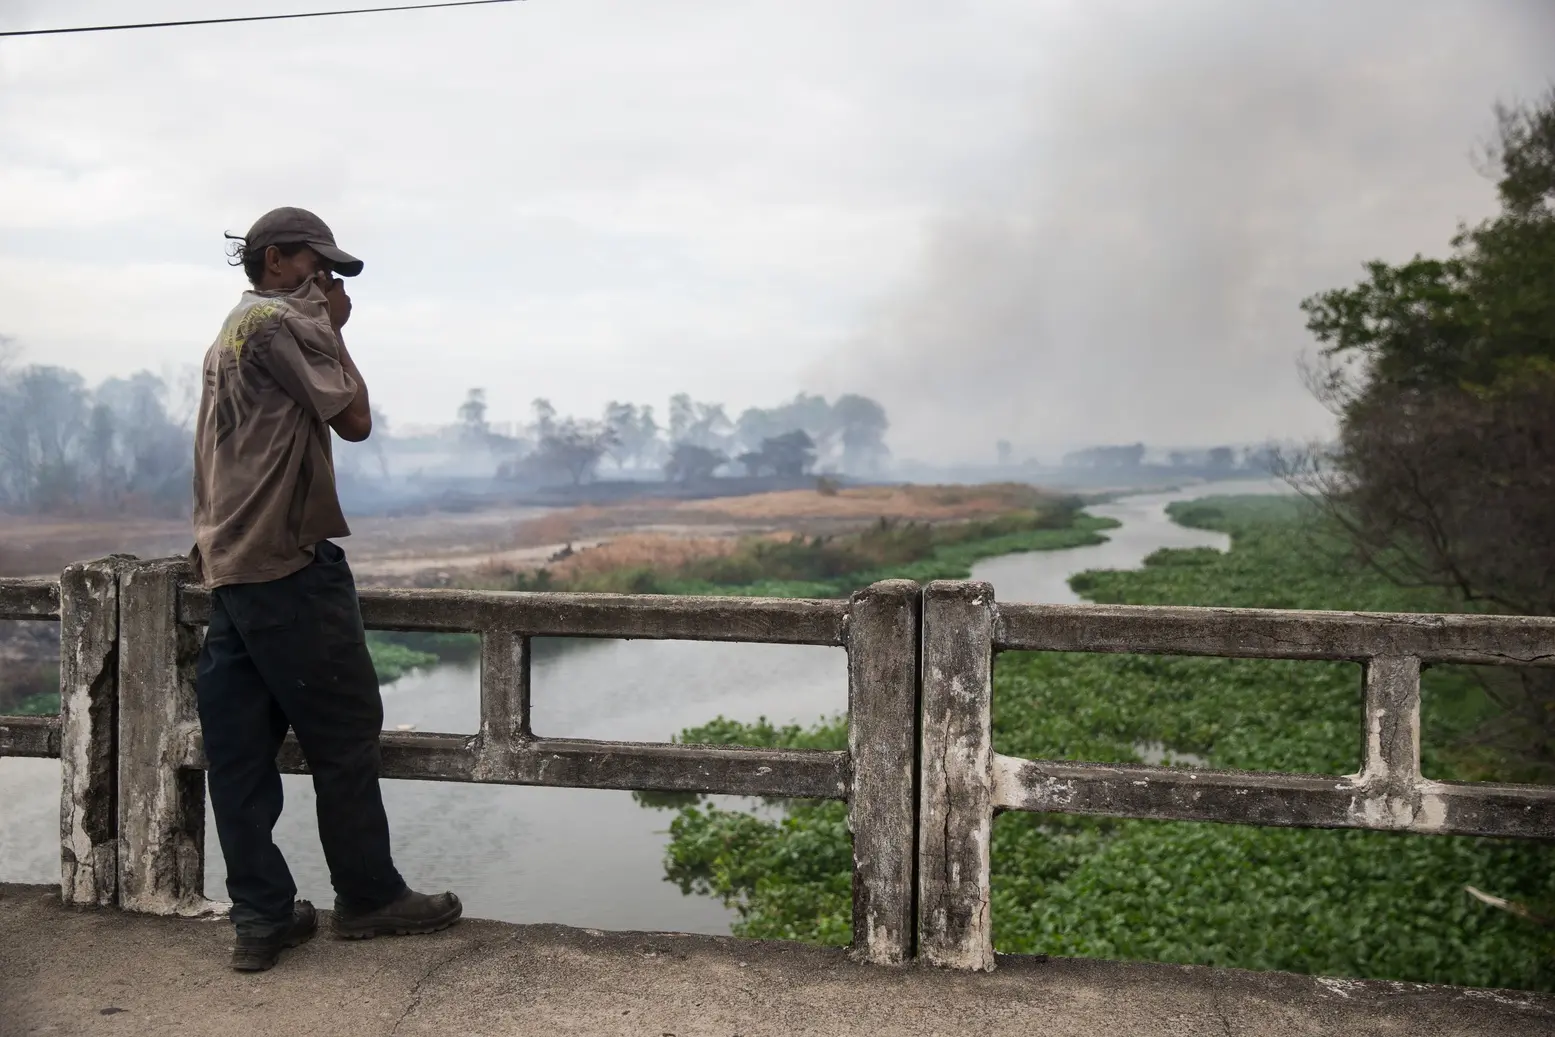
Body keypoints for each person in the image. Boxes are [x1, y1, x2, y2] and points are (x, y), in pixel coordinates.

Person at [191, 207, 461, 972]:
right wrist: (339, 328)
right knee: (343, 736)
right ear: (275, 259)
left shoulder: (232, 327)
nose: (328, 281)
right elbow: (356, 419)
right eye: (318, 265)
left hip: (230, 563)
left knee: (238, 752)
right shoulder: (283, 325)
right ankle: (369, 897)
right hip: (288, 564)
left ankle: (261, 917)